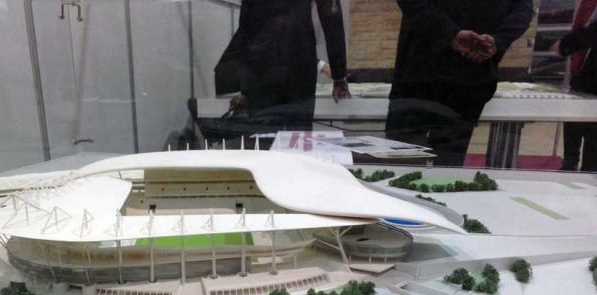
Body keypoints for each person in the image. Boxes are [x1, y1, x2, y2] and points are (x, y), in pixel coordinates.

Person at [385, 0, 533, 166]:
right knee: (444, 162)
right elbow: (522, 11)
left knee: (405, 160)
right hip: (467, 73)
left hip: (422, 72)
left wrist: (451, 33)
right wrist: (497, 40)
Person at [214, 0, 351, 133]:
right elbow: (332, 20)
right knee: (297, 138)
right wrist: (339, 76)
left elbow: (245, 25)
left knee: (262, 136)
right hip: (298, 65)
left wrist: (242, 84)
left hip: (260, 67)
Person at [551, 1, 597, 172]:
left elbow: (592, 31)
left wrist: (565, 45)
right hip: (582, 69)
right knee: (573, 117)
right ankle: (570, 162)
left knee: (593, 129)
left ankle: (588, 173)